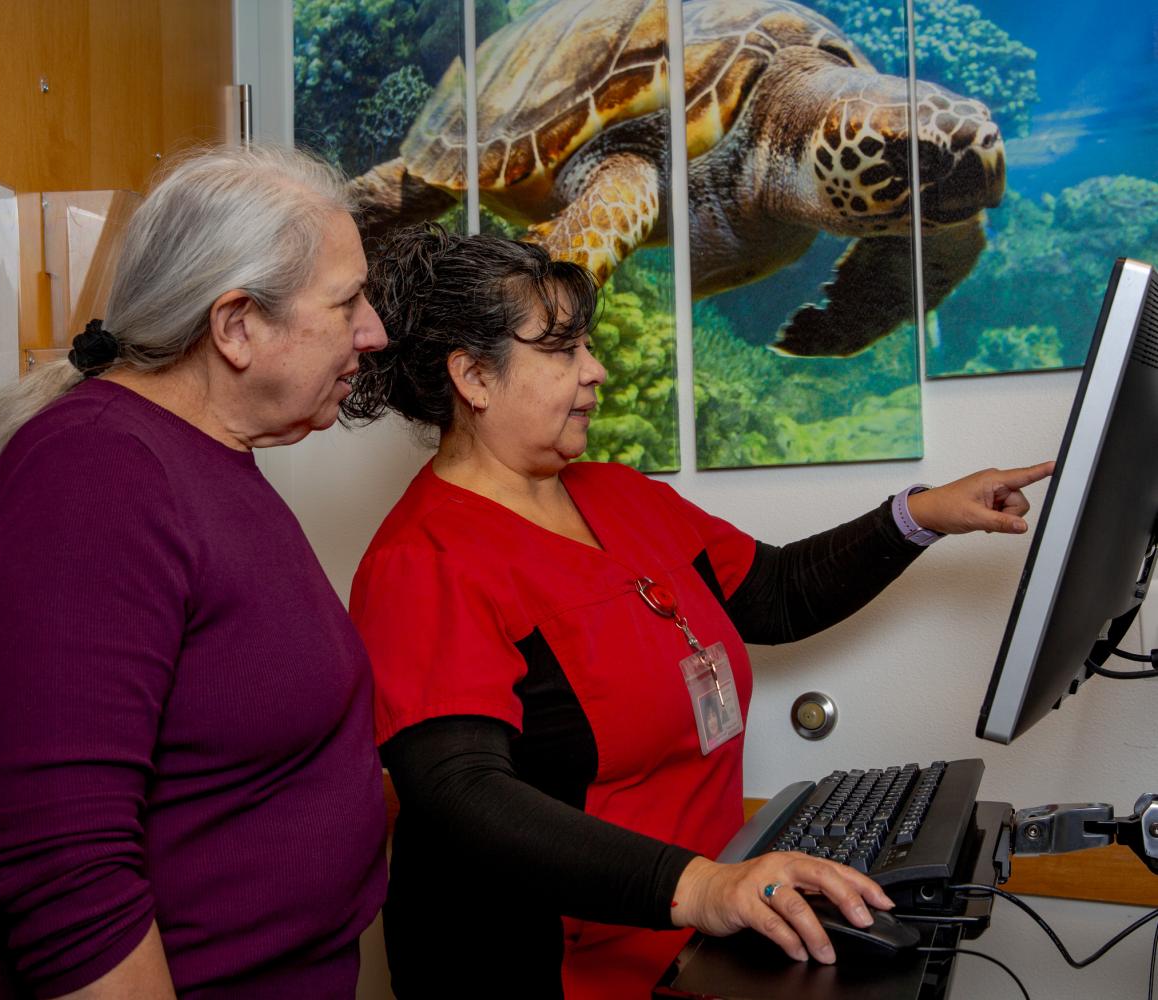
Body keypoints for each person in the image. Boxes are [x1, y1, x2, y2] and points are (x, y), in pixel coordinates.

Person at [342, 223, 1052, 999]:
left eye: (589, 345)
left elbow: (774, 594)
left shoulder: (621, 493)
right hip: (556, 964)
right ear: (474, 376)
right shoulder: (423, 561)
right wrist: (698, 885)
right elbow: (462, 795)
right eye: (563, 351)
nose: (596, 371)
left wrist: (921, 515)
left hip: (706, 936)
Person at [0, 145, 390, 999]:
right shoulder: (96, 471)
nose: (374, 331)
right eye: (347, 301)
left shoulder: (205, 461)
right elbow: (62, 868)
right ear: (237, 326)